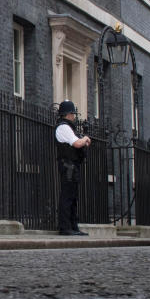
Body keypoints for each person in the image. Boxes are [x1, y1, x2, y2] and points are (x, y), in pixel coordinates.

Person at [55, 99, 91, 236]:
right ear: (68, 114)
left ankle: (73, 226)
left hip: (72, 166)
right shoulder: (63, 127)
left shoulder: (68, 128)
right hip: (67, 166)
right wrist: (85, 139)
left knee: (73, 196)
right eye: (73, 114)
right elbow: (76, 143)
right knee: (67, 196)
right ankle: (65, 227)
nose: (74, 117)